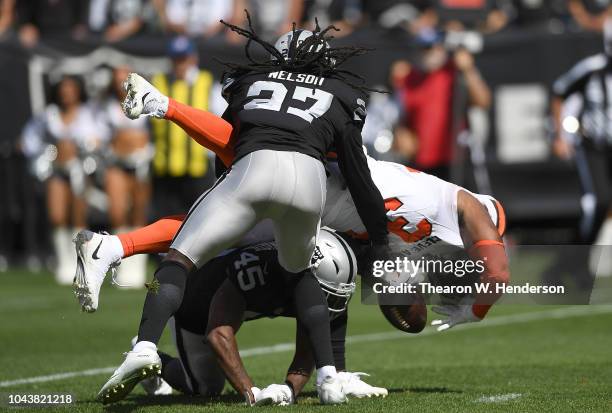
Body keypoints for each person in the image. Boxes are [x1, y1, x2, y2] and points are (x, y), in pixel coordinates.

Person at [95, 15, 389, 405]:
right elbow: (359, 178)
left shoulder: (250, 83)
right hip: (308, 180)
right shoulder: (340, 94)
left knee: (179, 259)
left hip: (253, 168)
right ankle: (329, 378)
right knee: (301, 275)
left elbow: (227, 148)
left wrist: (230, 204)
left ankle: (144, 347)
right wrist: (381, 240)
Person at [98, 229, 387, 405]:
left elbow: (308, 344)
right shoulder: (257, 270)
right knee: (205, 388)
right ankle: (157, 363)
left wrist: (289, 391)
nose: (328, 301)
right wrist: (252, 393)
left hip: (233, 306)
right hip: (194, 307)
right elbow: (218, 333)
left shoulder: (305, 281)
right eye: (324, 291)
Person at [22, 76, 104, 284]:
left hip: (80, 171)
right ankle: (64, 261)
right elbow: (29, 138)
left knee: (78, 216)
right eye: (63, 88)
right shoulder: (49, 115)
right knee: (57, 215)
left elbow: (99, 137)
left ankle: (81, 263)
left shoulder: (87, 113)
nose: (66, 93)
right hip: (57, 171)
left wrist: (86, 146)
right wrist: (45, 154)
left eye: (71, 88)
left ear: (78, 91)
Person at [392, 29, 491, 181]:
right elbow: (402, 118)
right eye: (425, 48)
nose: (431, 53)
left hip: (455, 161)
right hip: (421, 164)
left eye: (435, 47)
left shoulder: (454, 72)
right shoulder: (408, 79)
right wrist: (401, 134)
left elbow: (483, 101)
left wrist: (468, 70)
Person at [150, 36, 223, 218]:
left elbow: (221, 124)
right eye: (176, 59)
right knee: (165, 222)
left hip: (197, 168)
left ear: (193, 58)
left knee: (197, 221)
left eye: (183, 59)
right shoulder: (160, 82)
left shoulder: (208, 85)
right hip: (164, 168)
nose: (179, 64)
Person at [97, 66, 152, 287]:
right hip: (117, 164)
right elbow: (100, 136)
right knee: (118, 213)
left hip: (141, 163)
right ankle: (121, 265)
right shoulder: (106, 108)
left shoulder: (147, 101)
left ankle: (136, 269)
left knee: (139, 213)